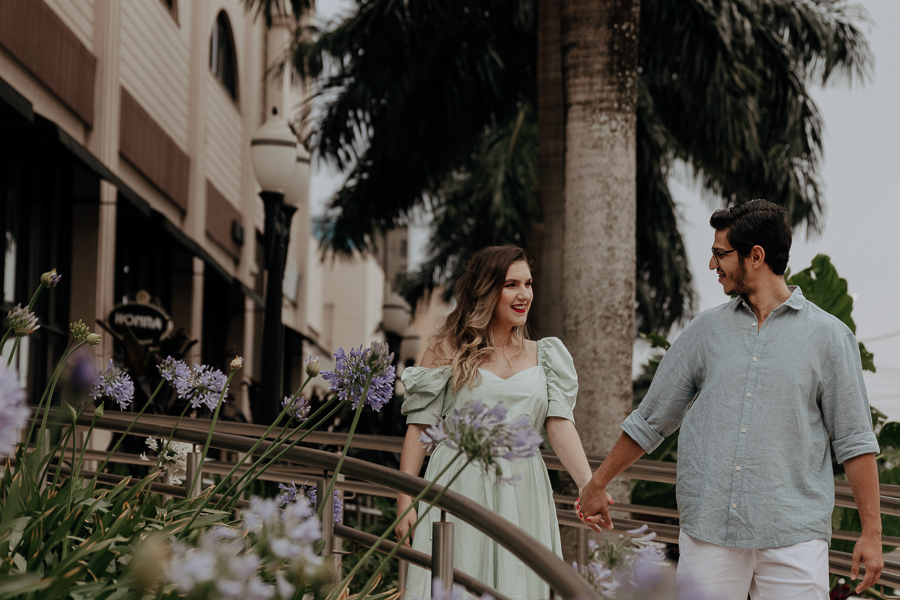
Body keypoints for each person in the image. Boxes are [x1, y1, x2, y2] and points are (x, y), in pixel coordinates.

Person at [577, 199, 883, 599]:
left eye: (720, 254)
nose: (712, 265)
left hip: (794, 537)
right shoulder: (705, 331)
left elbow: (855, 440)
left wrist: (872, 533)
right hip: (710, 534)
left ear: (755, 256)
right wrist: (597, 483)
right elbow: (651, 419)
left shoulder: (829, 337)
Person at [395, 245, 604, 600]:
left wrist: (588, 484)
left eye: (528, 283)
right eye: (512, 284)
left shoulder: (546, 355)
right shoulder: (447, 349)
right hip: (459, 482)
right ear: (487, 290)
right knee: (455, 574)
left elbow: (559, 425)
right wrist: (405, 499)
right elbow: (419, 428)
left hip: (523, 487)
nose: (524, 294)